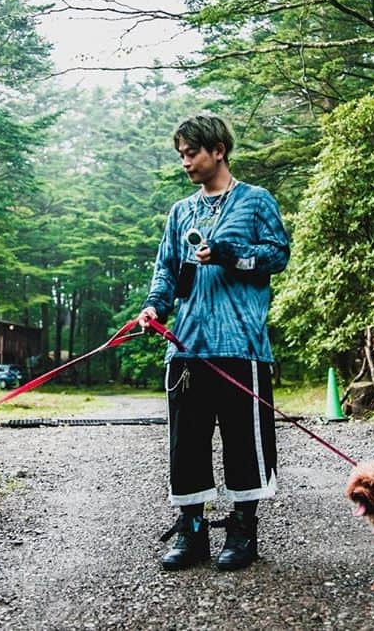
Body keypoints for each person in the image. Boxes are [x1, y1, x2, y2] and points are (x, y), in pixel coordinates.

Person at [138, 114, 290, 571]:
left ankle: (243, 532)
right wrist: (154, 308)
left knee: (246, 443)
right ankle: (193, 531)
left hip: (242, 346)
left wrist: (229, 254)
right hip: (186, 348)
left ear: (218, 149)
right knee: (187, 445)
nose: (186, 162)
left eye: (192, 153)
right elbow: (166, 269)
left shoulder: (256, 201)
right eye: (181, 155)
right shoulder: (180, 212)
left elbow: (277, 255)